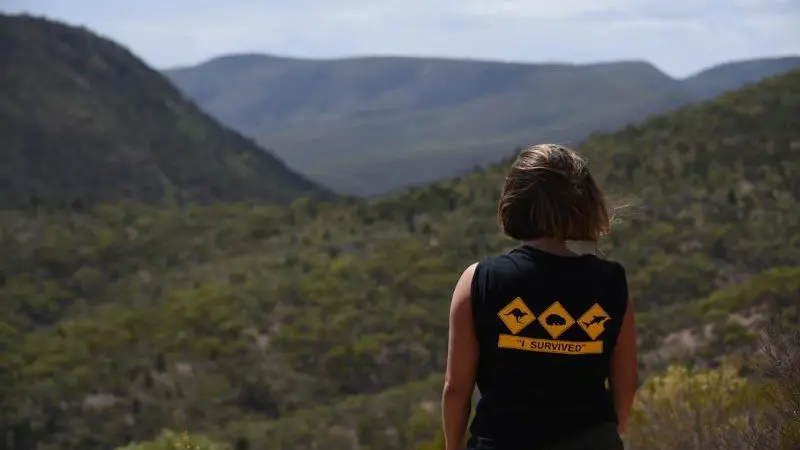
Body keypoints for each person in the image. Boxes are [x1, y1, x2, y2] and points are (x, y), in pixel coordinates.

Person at [441, 144, 639, 450]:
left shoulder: (480, 280)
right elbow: (625, 385)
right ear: (584, 204)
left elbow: (456, 388)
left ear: (513, 201)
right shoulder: (612, 283)